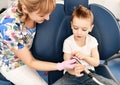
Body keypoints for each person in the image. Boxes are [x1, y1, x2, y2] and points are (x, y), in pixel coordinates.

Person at [0, 0, 76, 85]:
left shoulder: (29, 4)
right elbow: (31, 62)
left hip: (27, 50)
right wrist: (60, 66)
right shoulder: (9, 29)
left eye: (49, 13)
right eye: (42, 15)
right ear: (25, 9)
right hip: (12, 63)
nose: (48, 18)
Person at [53, 5, 118, 85]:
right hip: (70, 75)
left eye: (84, 29)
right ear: (71, 25)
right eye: (76, 28)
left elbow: (96, 62)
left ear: (91, 28)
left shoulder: (92, 41)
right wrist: (74, 71)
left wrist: (85, 57)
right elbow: (66, 63)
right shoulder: (68, 42)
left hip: (89, 74)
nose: (79, 32)